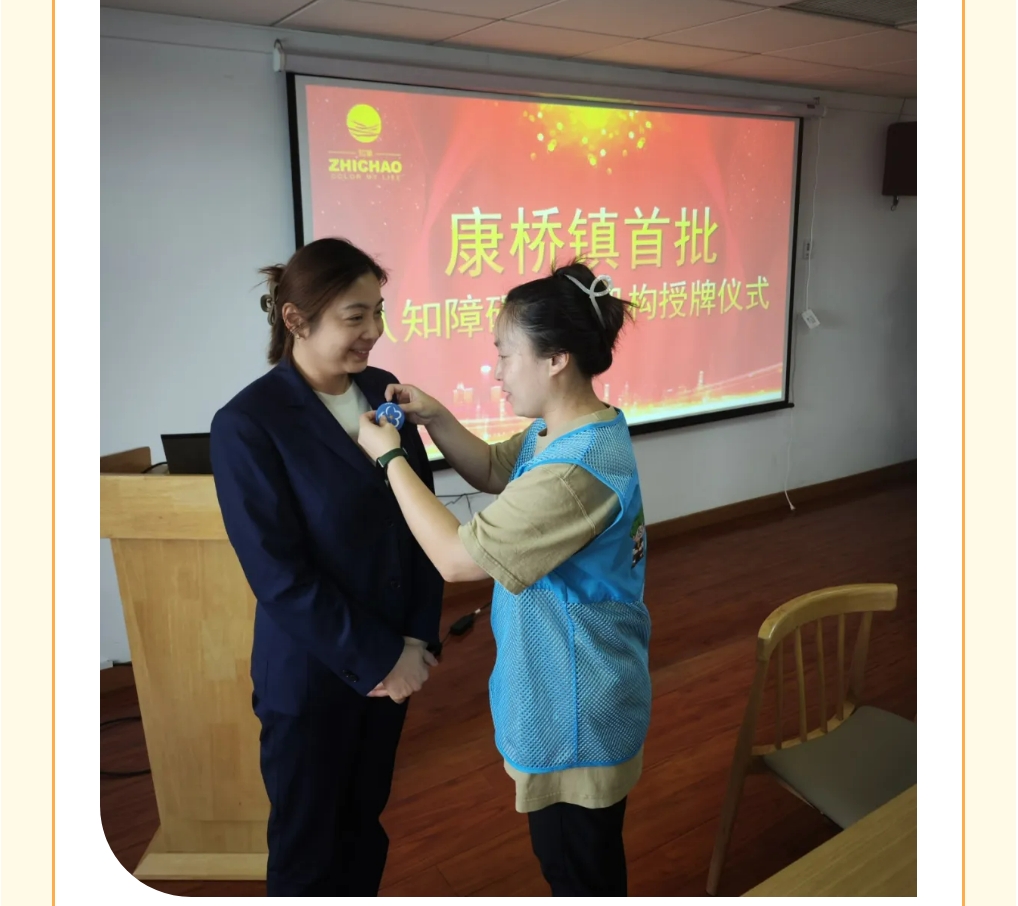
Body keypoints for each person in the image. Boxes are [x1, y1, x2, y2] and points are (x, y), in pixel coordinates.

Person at [356, 260, 652, 897]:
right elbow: (494, 469)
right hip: (574, 683)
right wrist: (435, 418)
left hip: (575, 710)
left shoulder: (575, 473)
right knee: (579, 860)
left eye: (505, 354)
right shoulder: (565, 431)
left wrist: (389, 459)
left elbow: (458, 559)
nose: (496, 372)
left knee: (578, 869)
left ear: (556, 359)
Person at [209, 238, 444, 896]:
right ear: (296, 320)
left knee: (364, 828)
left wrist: (418, 639)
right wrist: (381, 658)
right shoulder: (248, 424)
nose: (374, 331)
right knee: (307, 849)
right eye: (355, 316)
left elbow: (419, 518)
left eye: (379, 312)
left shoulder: (381, 391)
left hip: (398, 662)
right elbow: (279, 575)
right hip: (313, 678)